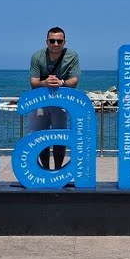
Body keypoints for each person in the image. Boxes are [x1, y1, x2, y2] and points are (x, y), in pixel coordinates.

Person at [28, 26, 81, 170]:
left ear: (64, 42)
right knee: (40, 137)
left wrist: (61, 82)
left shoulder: (72, 56)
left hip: (60, 103)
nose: (55, 44)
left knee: (60, 137)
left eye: (59, 41)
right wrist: (45, 83)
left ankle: (58, 170)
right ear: (47, 42)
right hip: (40, 103)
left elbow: (74, 81)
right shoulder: (37, 56)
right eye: (52, 41)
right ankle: (45, 170)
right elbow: (33, 82)